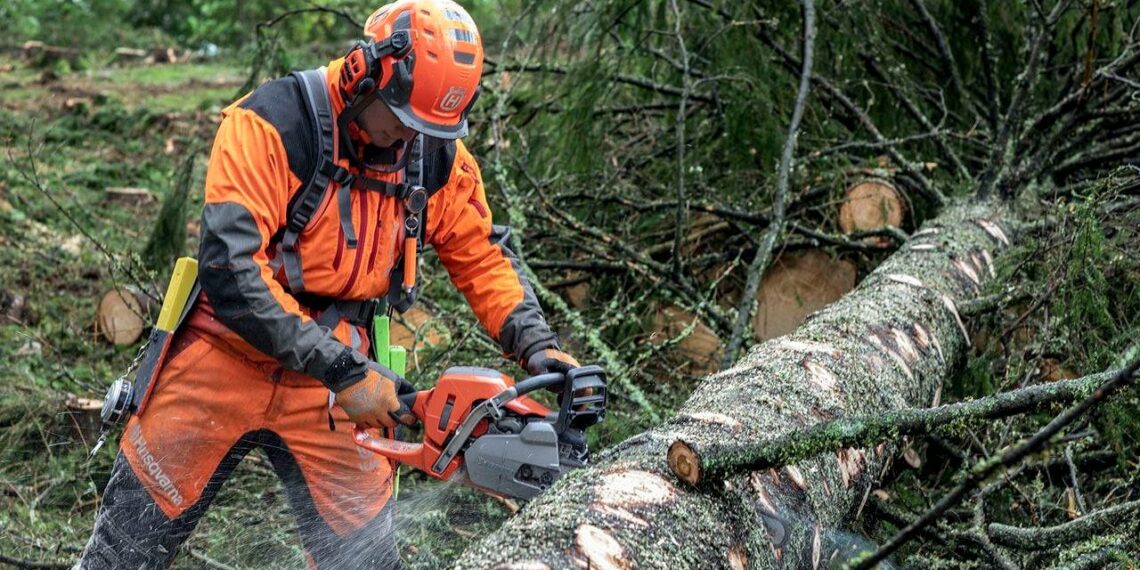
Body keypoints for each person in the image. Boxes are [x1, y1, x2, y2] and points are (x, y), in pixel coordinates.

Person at [76, 1, 579, 567]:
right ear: (368, 72)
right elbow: (232, 273)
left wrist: (535, 345)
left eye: (426, 128)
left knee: (362, 559)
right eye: (400, 119)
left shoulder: (434, 154)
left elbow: (480, 253)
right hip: (223, 356)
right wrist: (343, 370)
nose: (407, 139)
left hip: (337, 381)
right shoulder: (270, 124)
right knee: (125, 550)